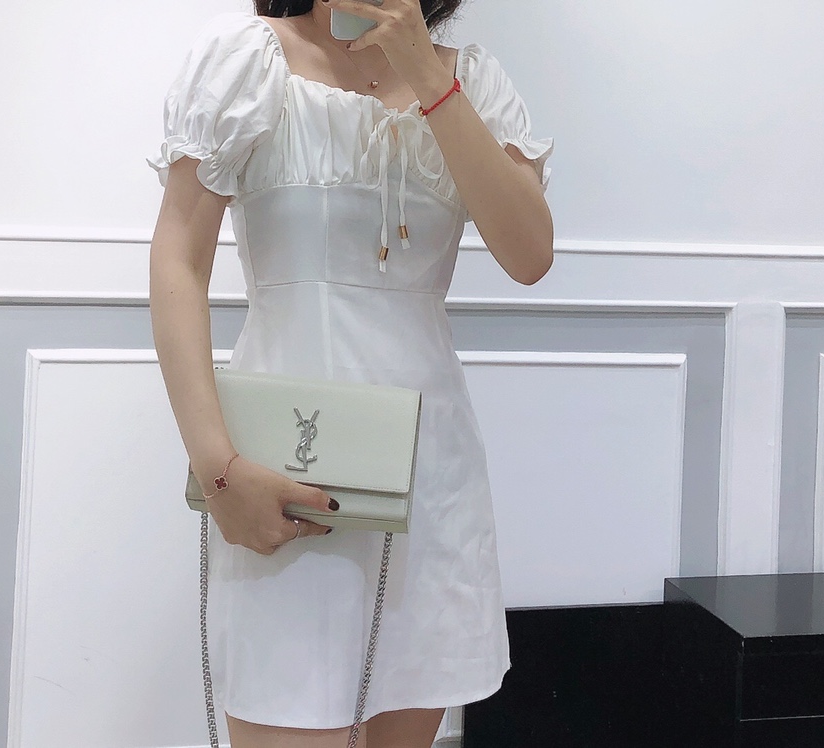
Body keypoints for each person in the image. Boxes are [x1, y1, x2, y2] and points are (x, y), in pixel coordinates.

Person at [147, 0, 553, 745]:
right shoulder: (248, 60)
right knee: (283, 707)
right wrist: (217, 468)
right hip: (282, 472)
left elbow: (529, 256)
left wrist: (425, 73)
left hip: (429, 479)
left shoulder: (472, 81)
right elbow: (179, 258)